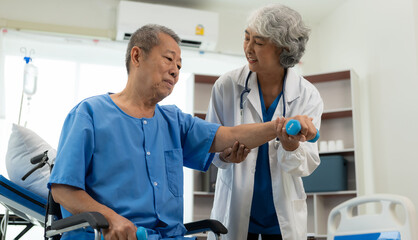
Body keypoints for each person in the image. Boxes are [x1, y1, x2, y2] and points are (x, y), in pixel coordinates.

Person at [47, 24, 312, 240]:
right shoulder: (89, 114)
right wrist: (111, 219)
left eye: (180, 66)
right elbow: (63, 190)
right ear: (137, 56)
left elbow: (229, 135)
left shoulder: (174, 120)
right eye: (169, 59)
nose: (175, 71)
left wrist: (279, 127)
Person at [206, 4, 324, 240]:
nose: (248, 48)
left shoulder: (308, 95)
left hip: (282, 220)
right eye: (247, 38)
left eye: (259, 43)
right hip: (236, 212)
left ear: (285, 49)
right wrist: (225, 156)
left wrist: (291, 147)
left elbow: (307, 164)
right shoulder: (227, 86)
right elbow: (210, 145)